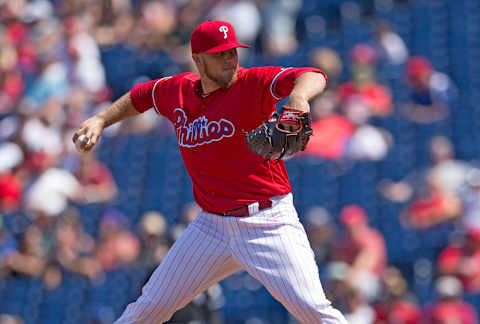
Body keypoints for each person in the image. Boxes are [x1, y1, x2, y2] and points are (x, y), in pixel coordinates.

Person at [72, 20, 347, 324]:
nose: (230, 60)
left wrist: (298, 97)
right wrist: (100, 119)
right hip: (211, 227)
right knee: (148, 308)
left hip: (266, 221)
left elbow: (312, 75)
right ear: (198, 59)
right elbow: (142, 96)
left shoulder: (252, 83)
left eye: (233, 52)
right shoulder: (177, 90)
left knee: (313, 310)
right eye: (220, 55)